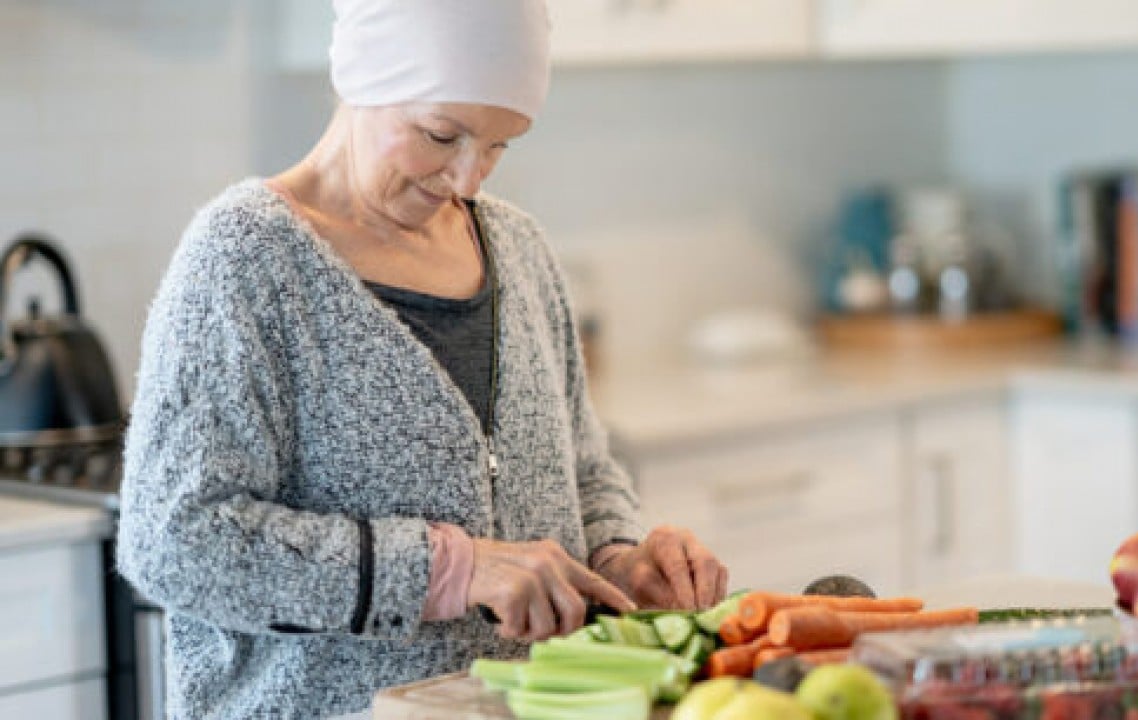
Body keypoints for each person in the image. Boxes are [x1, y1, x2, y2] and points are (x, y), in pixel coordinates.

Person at [116, 1, 728, 717]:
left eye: (502, 145)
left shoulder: (519, 249)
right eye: (443, 134)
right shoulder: (246, 257)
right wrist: (447, 570)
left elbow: (585, 470)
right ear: (363, 77)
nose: (469, 179)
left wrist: (621, 558)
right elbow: (175, 543)